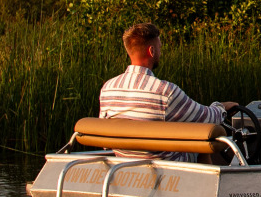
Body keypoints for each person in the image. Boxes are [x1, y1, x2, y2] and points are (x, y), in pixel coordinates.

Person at [99, 22, 237, 162]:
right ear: (151, 51)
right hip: (165, 170)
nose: (160, 52)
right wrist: (221, 107)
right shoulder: (165, 92)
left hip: (123, 166)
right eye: (159, 48)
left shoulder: (108, 88)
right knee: (203, 142)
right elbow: (206, 118)